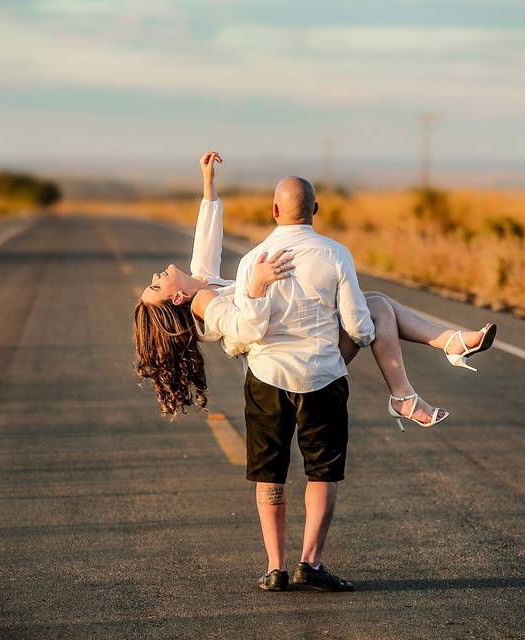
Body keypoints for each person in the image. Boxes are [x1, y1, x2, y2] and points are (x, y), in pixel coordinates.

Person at [133, 152, 496, 590]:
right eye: (157, 285)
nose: (157, 274)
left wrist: (208, 185)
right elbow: (248, 329)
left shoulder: (204, 281)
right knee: (375, 312)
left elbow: (206, 240)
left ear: (274, 211)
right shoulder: (208, 304)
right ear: (175, 300)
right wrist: (256, 286)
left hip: (276, 377)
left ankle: (276, 568)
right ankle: (421, 375)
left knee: (274, 472)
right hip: (307, 372)